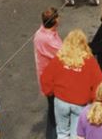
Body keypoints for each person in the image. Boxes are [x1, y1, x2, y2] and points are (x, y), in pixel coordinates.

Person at [40, 29, 102, 139]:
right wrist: (93, 101)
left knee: (62, 133)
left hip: (61, 101)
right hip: (80, 103)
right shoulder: (89, 60)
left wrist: (50, 92)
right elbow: (98, 83)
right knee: (77, 135)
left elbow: (45, 78)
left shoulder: (60, 58)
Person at [34, 7, 63, 139]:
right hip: (53, 83)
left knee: (53, 111)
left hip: (47, 80)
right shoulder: (48, 40)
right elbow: (64, 55)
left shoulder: (41, 33)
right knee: (55, 114)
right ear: (55, 21)